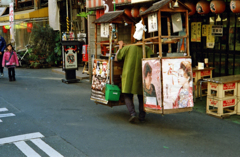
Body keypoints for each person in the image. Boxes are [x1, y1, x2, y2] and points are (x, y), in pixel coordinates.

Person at [114, 40, 153, 123]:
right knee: (142, 96)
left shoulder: (127, 48)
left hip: (129, 75)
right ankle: (142, 116)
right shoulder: (146, 48)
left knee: (127, 94)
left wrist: (120, 46)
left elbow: (117, 58)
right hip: (141, 75)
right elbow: (152, 59)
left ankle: (133, 114)